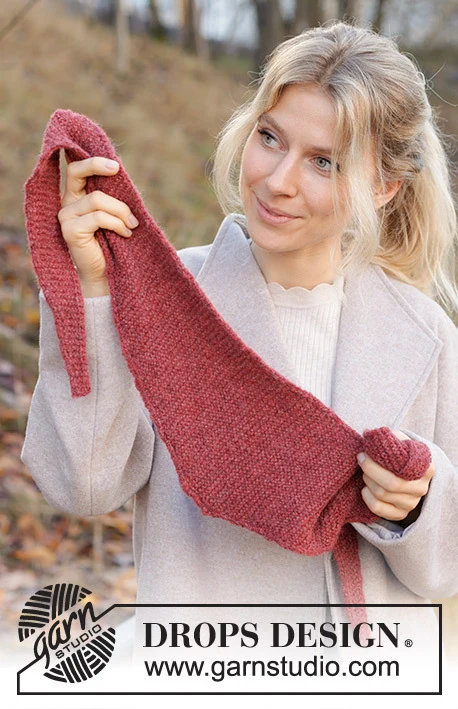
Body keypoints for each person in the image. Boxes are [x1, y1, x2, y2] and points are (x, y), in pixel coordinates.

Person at [21, 20, 458, 663]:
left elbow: (446, 570)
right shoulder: (168, 300)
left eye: (324, 162)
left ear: (383, 188)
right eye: (269, 138)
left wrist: (419, 503)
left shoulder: (426, 335)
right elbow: (83, 487)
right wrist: (91, 297)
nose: (278, 180)